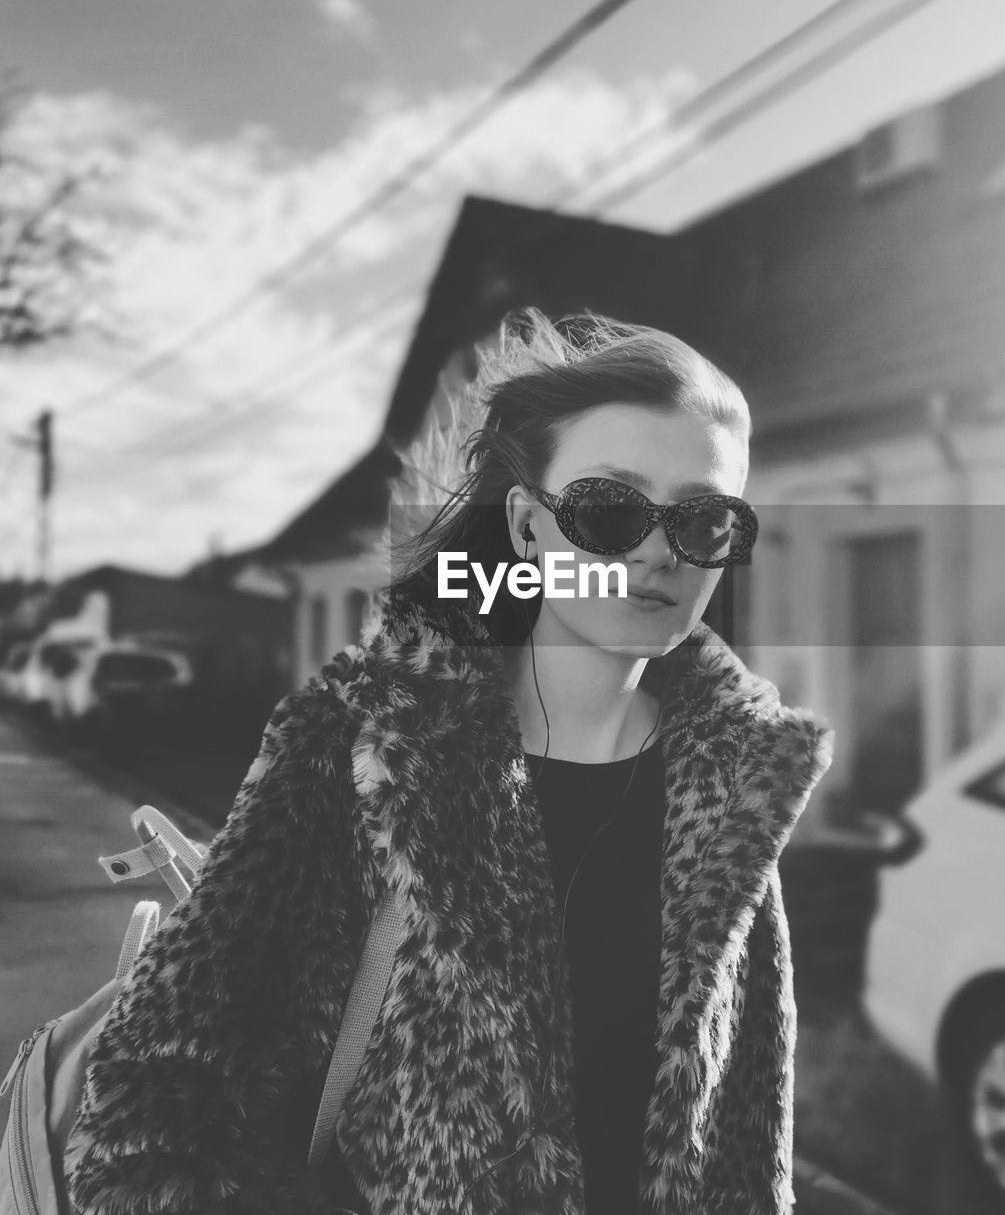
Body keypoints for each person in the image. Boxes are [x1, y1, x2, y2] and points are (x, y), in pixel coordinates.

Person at [64, 310, 834, 1215]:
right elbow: (159, 1093)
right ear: (526, 526)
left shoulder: (738, 787)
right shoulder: (363, 743)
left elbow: (749, 1146)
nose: (659, 549)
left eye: (705, 518)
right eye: (609, 508)